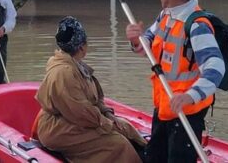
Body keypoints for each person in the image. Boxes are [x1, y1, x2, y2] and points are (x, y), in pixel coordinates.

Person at [125, 0, 225, 163]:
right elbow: (148, 44)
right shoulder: (166, 16)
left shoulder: (197, 26)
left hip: (186, 111)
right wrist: (136, 40)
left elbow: (216, 67)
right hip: (164, 105)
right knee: (154, 157)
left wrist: (190, 96)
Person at [35, 16, 145, 163]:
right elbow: (80, 112)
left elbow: (95, 99)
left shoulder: (75, 65)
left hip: (75, 120)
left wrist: (109, 115)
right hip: (58, 129)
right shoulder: (64, 72)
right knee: (118, 144)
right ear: (81, 47)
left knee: (127, 128)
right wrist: (107, 124)